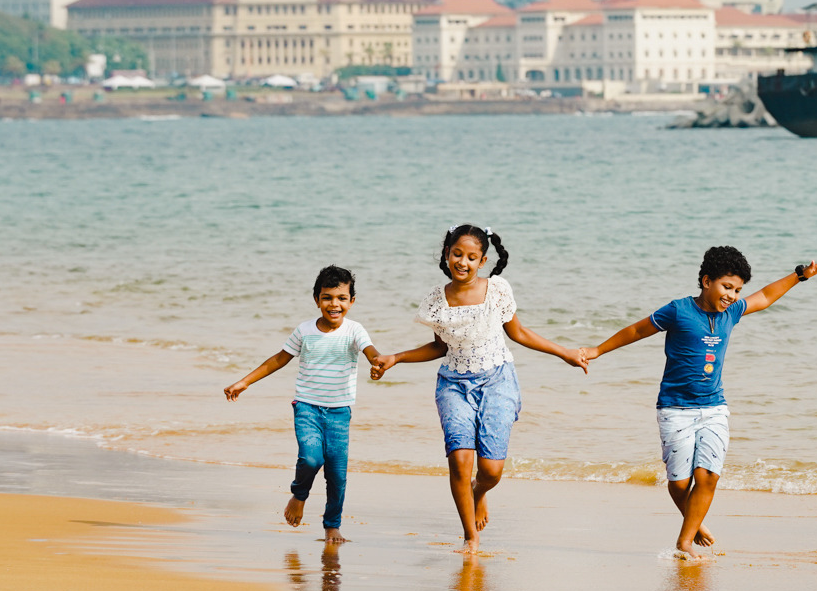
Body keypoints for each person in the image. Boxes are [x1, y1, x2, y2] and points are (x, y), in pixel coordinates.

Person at [584, 247, 817, 559]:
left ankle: (684, 541)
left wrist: (800, 275)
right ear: (706, 281)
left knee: (708, 475)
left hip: (714, 407)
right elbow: (637, 330)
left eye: (737, 290)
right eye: (727, 287)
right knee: (679, 483)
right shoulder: (678, 311)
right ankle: (695, 520)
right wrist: (597, 350)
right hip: (675, 408)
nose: (732, 295)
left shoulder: (731, 313)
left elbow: (766, 296)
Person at [370, 225, 589, 553]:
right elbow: (438, 348)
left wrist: (566, 353)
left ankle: (479, 493)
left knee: (491, 471)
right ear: (447, 254)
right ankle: (470, 536)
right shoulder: (436, 300)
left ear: (483, 261)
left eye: (471, 257)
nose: (463, 262)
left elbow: (520, 333)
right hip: (454, 385)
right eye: (457, 254)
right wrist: (396, 358)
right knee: (459, 461)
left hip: (497, 380)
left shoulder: (497, 290)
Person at [225, 265, 382, 542]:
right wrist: (245, 381)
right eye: (327, 297)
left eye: (342, 298)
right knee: (311, 458)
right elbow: (278, 359)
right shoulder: (305, 331)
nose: (335, 304)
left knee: (337, 474)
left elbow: (370, 351)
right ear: (316, 299)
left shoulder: (355, 330)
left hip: (339, 411)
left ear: (351, 301)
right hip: (307, 407)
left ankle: (332, 525)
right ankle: (299, 494)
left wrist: (378, 363)